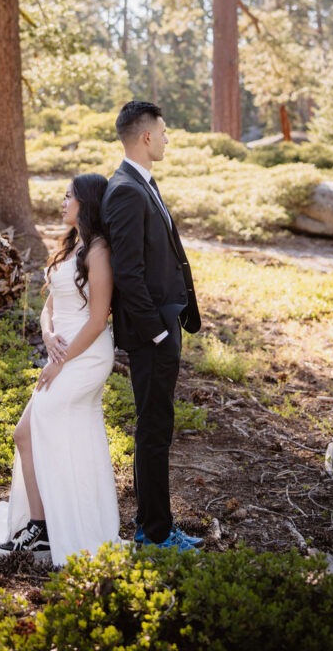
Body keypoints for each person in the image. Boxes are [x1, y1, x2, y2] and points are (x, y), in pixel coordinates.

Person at [0, 173, 120, 566]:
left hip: (86, 357)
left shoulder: (99, 251)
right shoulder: (72, 245)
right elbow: (50, 305)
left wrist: (61, 361)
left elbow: (99, 319)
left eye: (69, 196)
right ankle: (42, 524)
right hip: (61, 354)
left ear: (86, 202)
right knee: (25, 434)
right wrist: (48, 335)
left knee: (44, 428)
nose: (62, 201)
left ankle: (52, 528)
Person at [101, 100, 202, 550]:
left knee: (158, 425)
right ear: (146, 137)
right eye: (163, 131)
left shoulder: (142, 182)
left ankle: (155, 525)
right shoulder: (125, 189)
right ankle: (154, 532)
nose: (166, 138)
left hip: (164, 322)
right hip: (152, 333)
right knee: (154, 428)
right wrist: (156, 331)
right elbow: (127, 272)